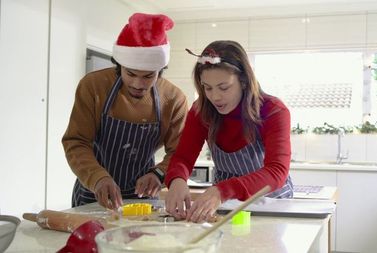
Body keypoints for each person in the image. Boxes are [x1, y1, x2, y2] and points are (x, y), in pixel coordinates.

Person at [62, 13, 188, 209]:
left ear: (160, 70)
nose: (138, 84)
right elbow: (76, 142)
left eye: (148, 76)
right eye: (130, 73)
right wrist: (98, 178)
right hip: (93, 192)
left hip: (143, 198)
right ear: (119, 66)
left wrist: (159, 174)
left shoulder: (173, 99)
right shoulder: (93, 86)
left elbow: (180, 152)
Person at [164, 40, 293, 223]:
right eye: (207, 88)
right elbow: (183, 158)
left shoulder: (273, 110)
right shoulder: (201, 111)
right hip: (224, 206)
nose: (215, 97)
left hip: (271, 204)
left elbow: (277, 171)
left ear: (243, 80)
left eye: (224, 87)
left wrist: (223, 190)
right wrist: (177, 179)